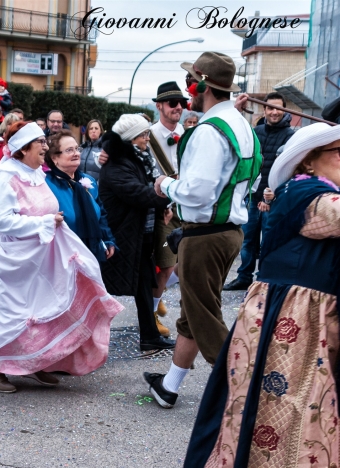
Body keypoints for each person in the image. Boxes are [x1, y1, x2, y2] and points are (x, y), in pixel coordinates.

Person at [184, 122, 340, 467]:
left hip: (303, 321)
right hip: (295, 326)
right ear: (308, 161)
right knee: (288, 415)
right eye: (339, 153)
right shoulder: (308, 194)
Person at [145, 52, 263, 409]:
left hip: (205, 235)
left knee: (204, 316)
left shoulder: (209, 131)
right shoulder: (243, 126)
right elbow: (251, 183)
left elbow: (198, 191)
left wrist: (164, 185)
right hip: (228, 233)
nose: (186, 92)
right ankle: (169, 386)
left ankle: (243, 390)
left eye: (189, 83)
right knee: (193, 313)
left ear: (201, 86)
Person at [0, 121, 123, 393]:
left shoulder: (35, 173)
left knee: (41, 310)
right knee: (10, 315)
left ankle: (35, 362)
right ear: (23, 148)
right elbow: (2, 221)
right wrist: (43, 223)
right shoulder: (4, 177)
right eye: (40, 142)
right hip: (7, 259)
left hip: (35, 257)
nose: (45, 146)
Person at [99, 115, 176, 348]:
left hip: (139, 234)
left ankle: (150, 336)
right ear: (132, 139)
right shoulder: (117, 164)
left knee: (143, 285)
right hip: (121, 236)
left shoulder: (139, 159)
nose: (147, 139)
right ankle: (87, 338)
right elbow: (140, 194)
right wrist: (171, 196)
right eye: (143, 135)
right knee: (99, 288)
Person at [224, 92, 295, 291]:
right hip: (252, 199)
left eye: (278, 108)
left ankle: (263, 280)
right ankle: (244, 277)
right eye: (270, 108)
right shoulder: (256, 131)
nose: (274, 112)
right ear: (264, 110)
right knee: (247, 242)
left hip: (274, 199)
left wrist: (272, 197)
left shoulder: (291, 136)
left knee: (269, 242)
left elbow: (288, 171)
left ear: (285, 110)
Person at [45, 129, 116, 261]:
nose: (76, 153)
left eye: (77, 149)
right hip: (63, 255)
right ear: (54, 157)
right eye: (69, 150)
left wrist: (107, 239)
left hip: (91, 250)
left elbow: (101, 214)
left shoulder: (88, 181)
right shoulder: (47, 184)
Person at [149, 82, 187, 320]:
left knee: (184, 266)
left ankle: (157, 297)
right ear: (159, 106)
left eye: (181, 103)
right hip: (163, 209)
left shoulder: (188, 134)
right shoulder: (148, 135)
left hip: (185, 208)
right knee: (165, 265)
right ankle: (151, 315)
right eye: (172, 103)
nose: (178, 108)